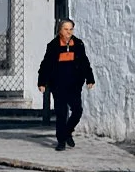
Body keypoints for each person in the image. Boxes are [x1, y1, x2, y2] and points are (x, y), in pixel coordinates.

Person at [37, 18, 96, 151]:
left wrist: (90, 78)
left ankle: (67, 132)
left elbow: (85, 63)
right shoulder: (53, 45)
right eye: (66, 29)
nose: (69, 32)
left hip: (74, 84)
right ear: (60, 30)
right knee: (61, 113)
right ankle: (61, 141)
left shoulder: (78, 44)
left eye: (71, 29)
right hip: (58, 85)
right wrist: (42, 82)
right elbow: (46, 65)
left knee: (77, 110)